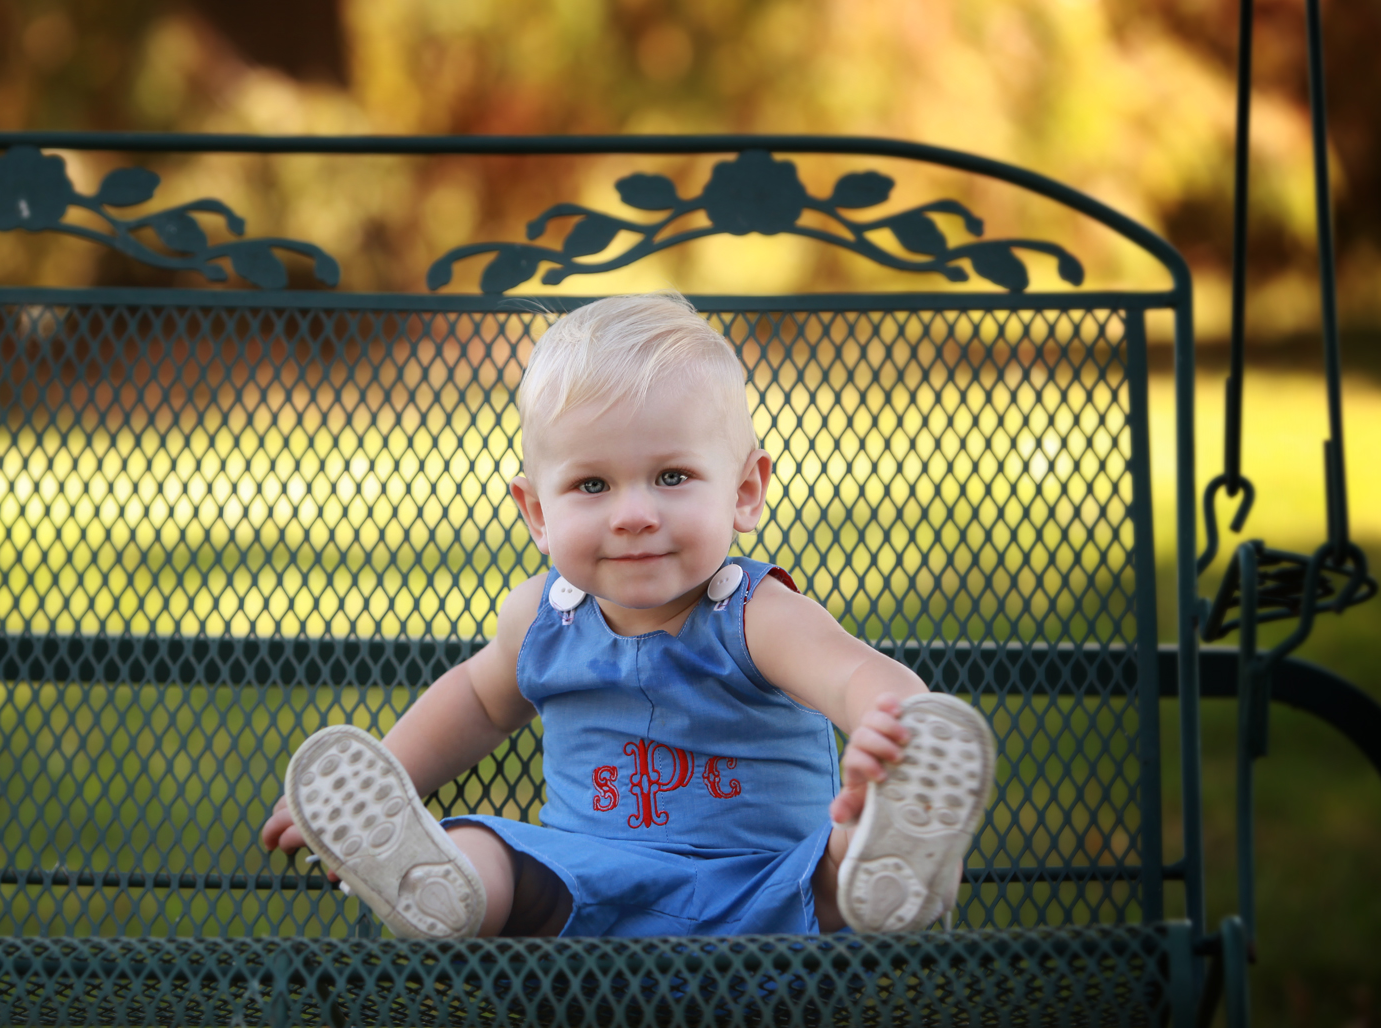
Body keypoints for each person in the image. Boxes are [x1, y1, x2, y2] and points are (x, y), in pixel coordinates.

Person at [260, 292, 995, 938]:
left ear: (744, 491)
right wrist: (385, 784)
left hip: (767, 892)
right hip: (589, 893)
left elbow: (854, 675)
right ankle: (431, 877)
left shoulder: (756, 615)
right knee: (494, 853)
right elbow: (477, 705)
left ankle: (883, 857)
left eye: (672, 476)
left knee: (829, 866)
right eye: (592, 485)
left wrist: (894, 732)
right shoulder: (541, 621)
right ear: (537, 512)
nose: (634, 514)